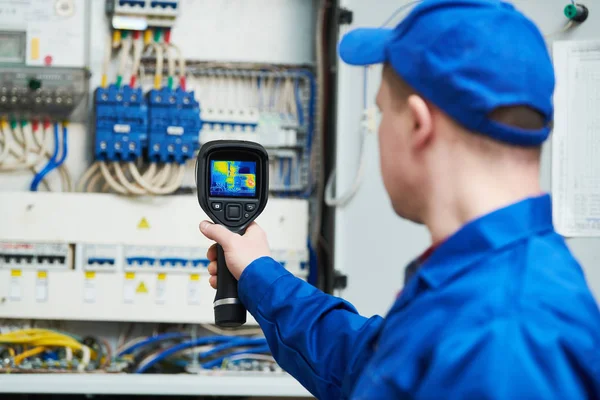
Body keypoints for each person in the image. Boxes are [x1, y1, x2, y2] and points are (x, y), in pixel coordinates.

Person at [200, 0, 600, 398]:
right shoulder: (479, 286)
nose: (377, 134)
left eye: (379, 114)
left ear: (417, 124)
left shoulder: (507, 334)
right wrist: (257, 273)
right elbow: (365, 365)